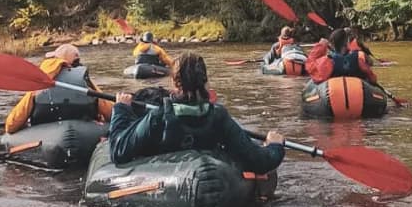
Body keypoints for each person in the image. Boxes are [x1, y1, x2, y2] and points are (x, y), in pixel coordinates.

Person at [109, 52, 286, 171]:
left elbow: (118, 151)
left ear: (174, 83)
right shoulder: (218, 116)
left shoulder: (159, 116)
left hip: (170, 179)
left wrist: (121, 109)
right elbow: (259, 160)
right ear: (205, 81)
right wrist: (275, 145)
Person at [3, 44, 112, 133]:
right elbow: (111, 114)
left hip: (45, 136)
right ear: (77, 60)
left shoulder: (38, 85)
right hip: (85, 135)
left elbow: (11, 125)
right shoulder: (86, 83)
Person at [306, 28, 379, 84]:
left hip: (334, 93)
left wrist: (320, 46)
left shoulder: (328, 60)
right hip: (356, 91)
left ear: (332, 44)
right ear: (347, 42)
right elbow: (372, 78)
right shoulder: (358, 59)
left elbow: (311, 68)